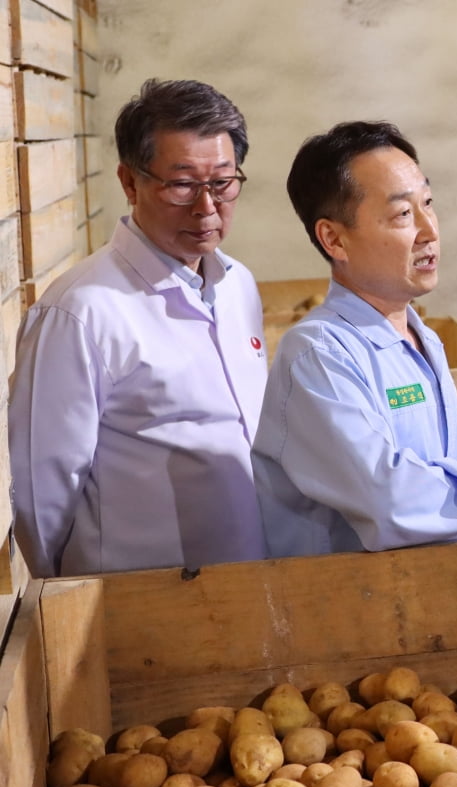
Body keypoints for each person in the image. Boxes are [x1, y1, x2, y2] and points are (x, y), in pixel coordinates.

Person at [9, 78, 267, 577]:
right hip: (138, 602)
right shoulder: (80, 312)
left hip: (249, 581)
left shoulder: (239, 287)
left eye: (222, 181)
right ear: (130, 183)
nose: (207, 207)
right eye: (182, 184)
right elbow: (44, 494)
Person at [253, 121, 457, 557]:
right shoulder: (318, 355)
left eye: (429, 204)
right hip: (348, 609)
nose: (429, 231)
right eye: (402, 214)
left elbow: (415, 484)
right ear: (334, 239)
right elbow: (387, 502)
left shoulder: (420, 340)